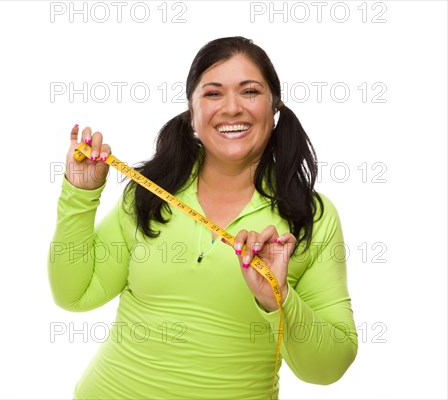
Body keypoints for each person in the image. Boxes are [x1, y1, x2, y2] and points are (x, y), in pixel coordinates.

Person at [48, 36, 357, 399]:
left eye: (250, 92)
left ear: (274, 107)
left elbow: (328, 368)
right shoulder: (149, 194)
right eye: (212, 94)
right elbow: (74, 294)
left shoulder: (312, 217)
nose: (231, 108)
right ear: (191, 113)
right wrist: (80, 195)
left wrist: (279, 297)